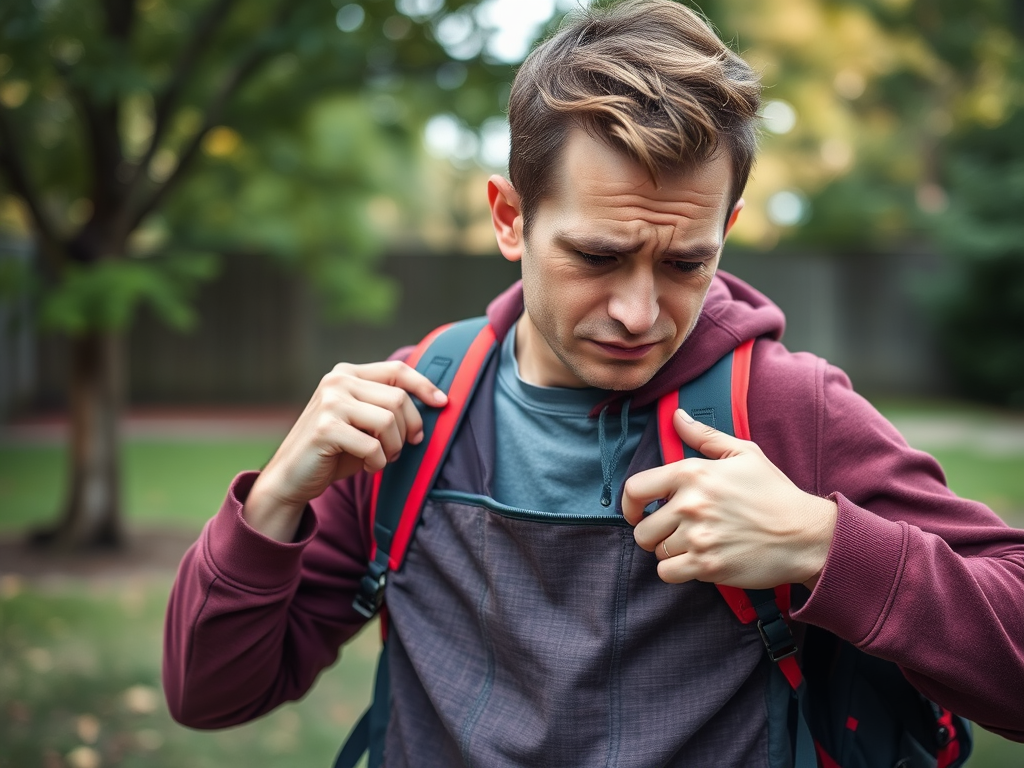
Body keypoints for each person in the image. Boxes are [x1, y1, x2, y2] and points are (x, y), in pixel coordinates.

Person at [163, 1, 1024, 765]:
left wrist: (827, 547)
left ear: (726, 229)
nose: (640, 312)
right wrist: (274, 499)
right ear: (510, 218)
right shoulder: (413, 408)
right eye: (598, 256)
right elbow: (211, 697)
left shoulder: (789, 409)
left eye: (687, 262)